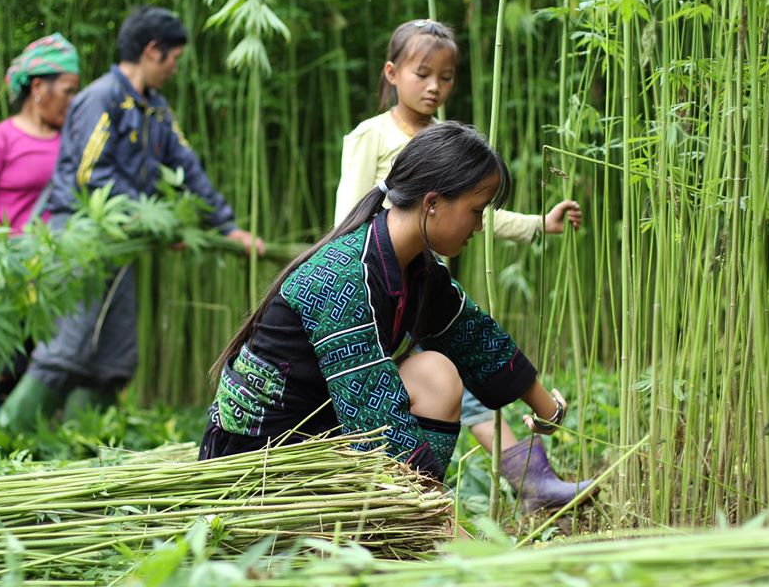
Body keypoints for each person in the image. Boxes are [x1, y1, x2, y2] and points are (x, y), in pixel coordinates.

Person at [201, 122, 576, 499]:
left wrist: (550, 411)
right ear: (432, 204)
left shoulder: (417, 267)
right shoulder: (343, 276)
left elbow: (475, 337)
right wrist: (440, 517)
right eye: (476, 211)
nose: (479, 226)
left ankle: (408, 518)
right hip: (260, 458)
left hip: (323, 432)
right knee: (420, 390)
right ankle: (415, 520)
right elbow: (375, 414)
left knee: (435, 376)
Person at [333, 19, 590, 512]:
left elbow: (476, 214)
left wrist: (538, 223)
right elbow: (350, 215)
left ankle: (522, 484)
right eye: (422, 73)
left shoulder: (447, 140)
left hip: (428, 291)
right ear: (391, 72)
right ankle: (512, 485)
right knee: (436, 382)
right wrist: (355, 285)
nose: (434, 86)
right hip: (377, 291)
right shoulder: (372, 134)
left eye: (446, 77)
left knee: (460, 374)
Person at [0, 6, 262, 432]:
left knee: (115, 356)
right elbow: (90, 173)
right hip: (81, 236)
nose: (175, 69)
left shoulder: (156, 109)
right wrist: (155, 219)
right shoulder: (100, 98)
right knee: (67, 347)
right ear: (153, 51)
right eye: (174, 59)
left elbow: (186, 165)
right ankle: (7, 438)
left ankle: (81, 445)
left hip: (123, 242)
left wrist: (226, 226)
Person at [0, 32, 80, 424]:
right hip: (10, 281)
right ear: (38, 88)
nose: (73, 100)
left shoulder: (74, 144)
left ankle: (49, 449)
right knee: (7, 370)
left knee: (56, 373)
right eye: (68, 90)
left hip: (58, 283)